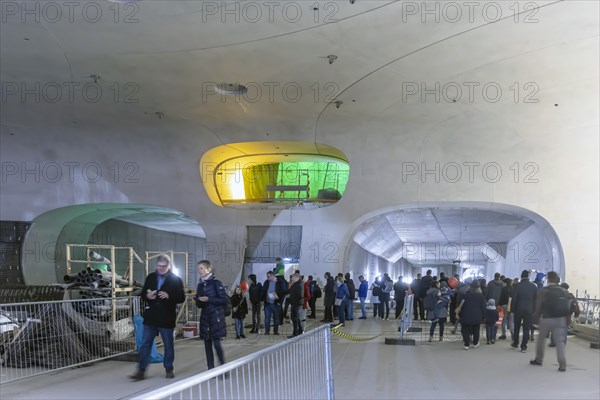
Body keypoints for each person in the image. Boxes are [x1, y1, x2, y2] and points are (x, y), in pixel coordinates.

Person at [130, 254, 185, 380]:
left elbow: (181, 297)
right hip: (151, 318)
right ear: (156, 265)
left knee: (168, 345)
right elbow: (144, 293)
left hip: (166, 318)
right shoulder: (151, 277)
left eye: (164, 266)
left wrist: (169, 295)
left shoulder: (176, 279)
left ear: (169, 266)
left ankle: (169, 369)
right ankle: (141, 371)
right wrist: (148, 296)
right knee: (145, 345)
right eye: (159, 266)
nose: (161, 268)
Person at [530, 271, 570, 371]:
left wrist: (535, 320)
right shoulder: (563, 291)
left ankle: (539, 360)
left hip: (546, 319)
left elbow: (538, 307)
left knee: (541, 340)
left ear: (548, 279)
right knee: (559, 342)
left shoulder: (543, 291)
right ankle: (562, 364)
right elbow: (567, 306)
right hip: (560, 319)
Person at [195, 260, 228, 370]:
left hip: (216, 317)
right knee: (207, 344)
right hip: (205, 317)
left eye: (201, 268)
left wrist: (209, 299)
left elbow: (224, 300)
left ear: (208, 269)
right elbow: (199, 304)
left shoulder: (217, 283)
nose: (199, 271)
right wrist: (199, 300)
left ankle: (223, 367)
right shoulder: (200, 285)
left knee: (217, 343)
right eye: (198, 269)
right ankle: (211, 369)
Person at [510, 270, 538, 352]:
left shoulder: (517, 286)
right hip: (529, 310)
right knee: (526, 328)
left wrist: (512, 310)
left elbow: (514, 299)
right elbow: (536, 300)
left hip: (518, 309)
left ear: (521, 276)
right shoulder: (533, 287)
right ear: (529, 277)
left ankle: (515, 343)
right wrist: (534, 310)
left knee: (517, 327)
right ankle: (524, 346)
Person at [456, 280, 486, 350]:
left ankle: (466, 344)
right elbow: (483, 307)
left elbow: (460, 305)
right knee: (476, 330)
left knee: (465, 330)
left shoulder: (465, 295)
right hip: (477, 316)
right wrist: (484, 316)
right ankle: (475, 343)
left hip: (465, 316)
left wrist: (459, 314)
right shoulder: (480, 296)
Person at [262, 271, 280, 335]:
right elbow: (263, 291)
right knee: (267, 318)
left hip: (275, 303)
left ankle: (276, 331)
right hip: (267, 303)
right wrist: (262, 299)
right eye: (267, 276)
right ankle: (267, 331)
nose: (267, 277)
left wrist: (278, 299)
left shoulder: (278, 282)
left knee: (276, 318)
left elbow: (283, 292)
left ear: (272, 276)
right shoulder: (266, 282)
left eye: (268, 276)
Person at [287, 273, 304, 337]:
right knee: (297, 318)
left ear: (297, 277)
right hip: (294, 303)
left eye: (293, 277)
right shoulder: (295, 284)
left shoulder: (299, 285)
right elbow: (289, 291)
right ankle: (300, 330)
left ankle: (295, 333)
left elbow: (300, 295)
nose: (292, 278)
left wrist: (293, 299)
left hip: (297, 304)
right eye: (292, 277)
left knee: (295, 319)